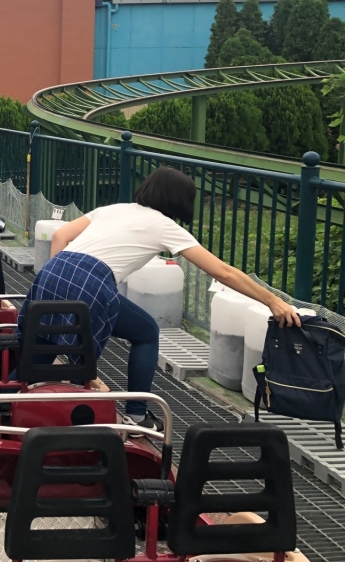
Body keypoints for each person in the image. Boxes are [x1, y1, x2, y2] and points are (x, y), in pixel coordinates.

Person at [21, 166, 300, 433]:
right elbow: (223, 272)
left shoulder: (114, 209)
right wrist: (272, 301)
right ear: (181, 202)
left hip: (53, 272)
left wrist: (61, 280)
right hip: (92, 281)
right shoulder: (164, 225)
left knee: (41, 346)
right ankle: (136, 414)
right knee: (146, 332)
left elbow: (60, 234)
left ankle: (8, 400)